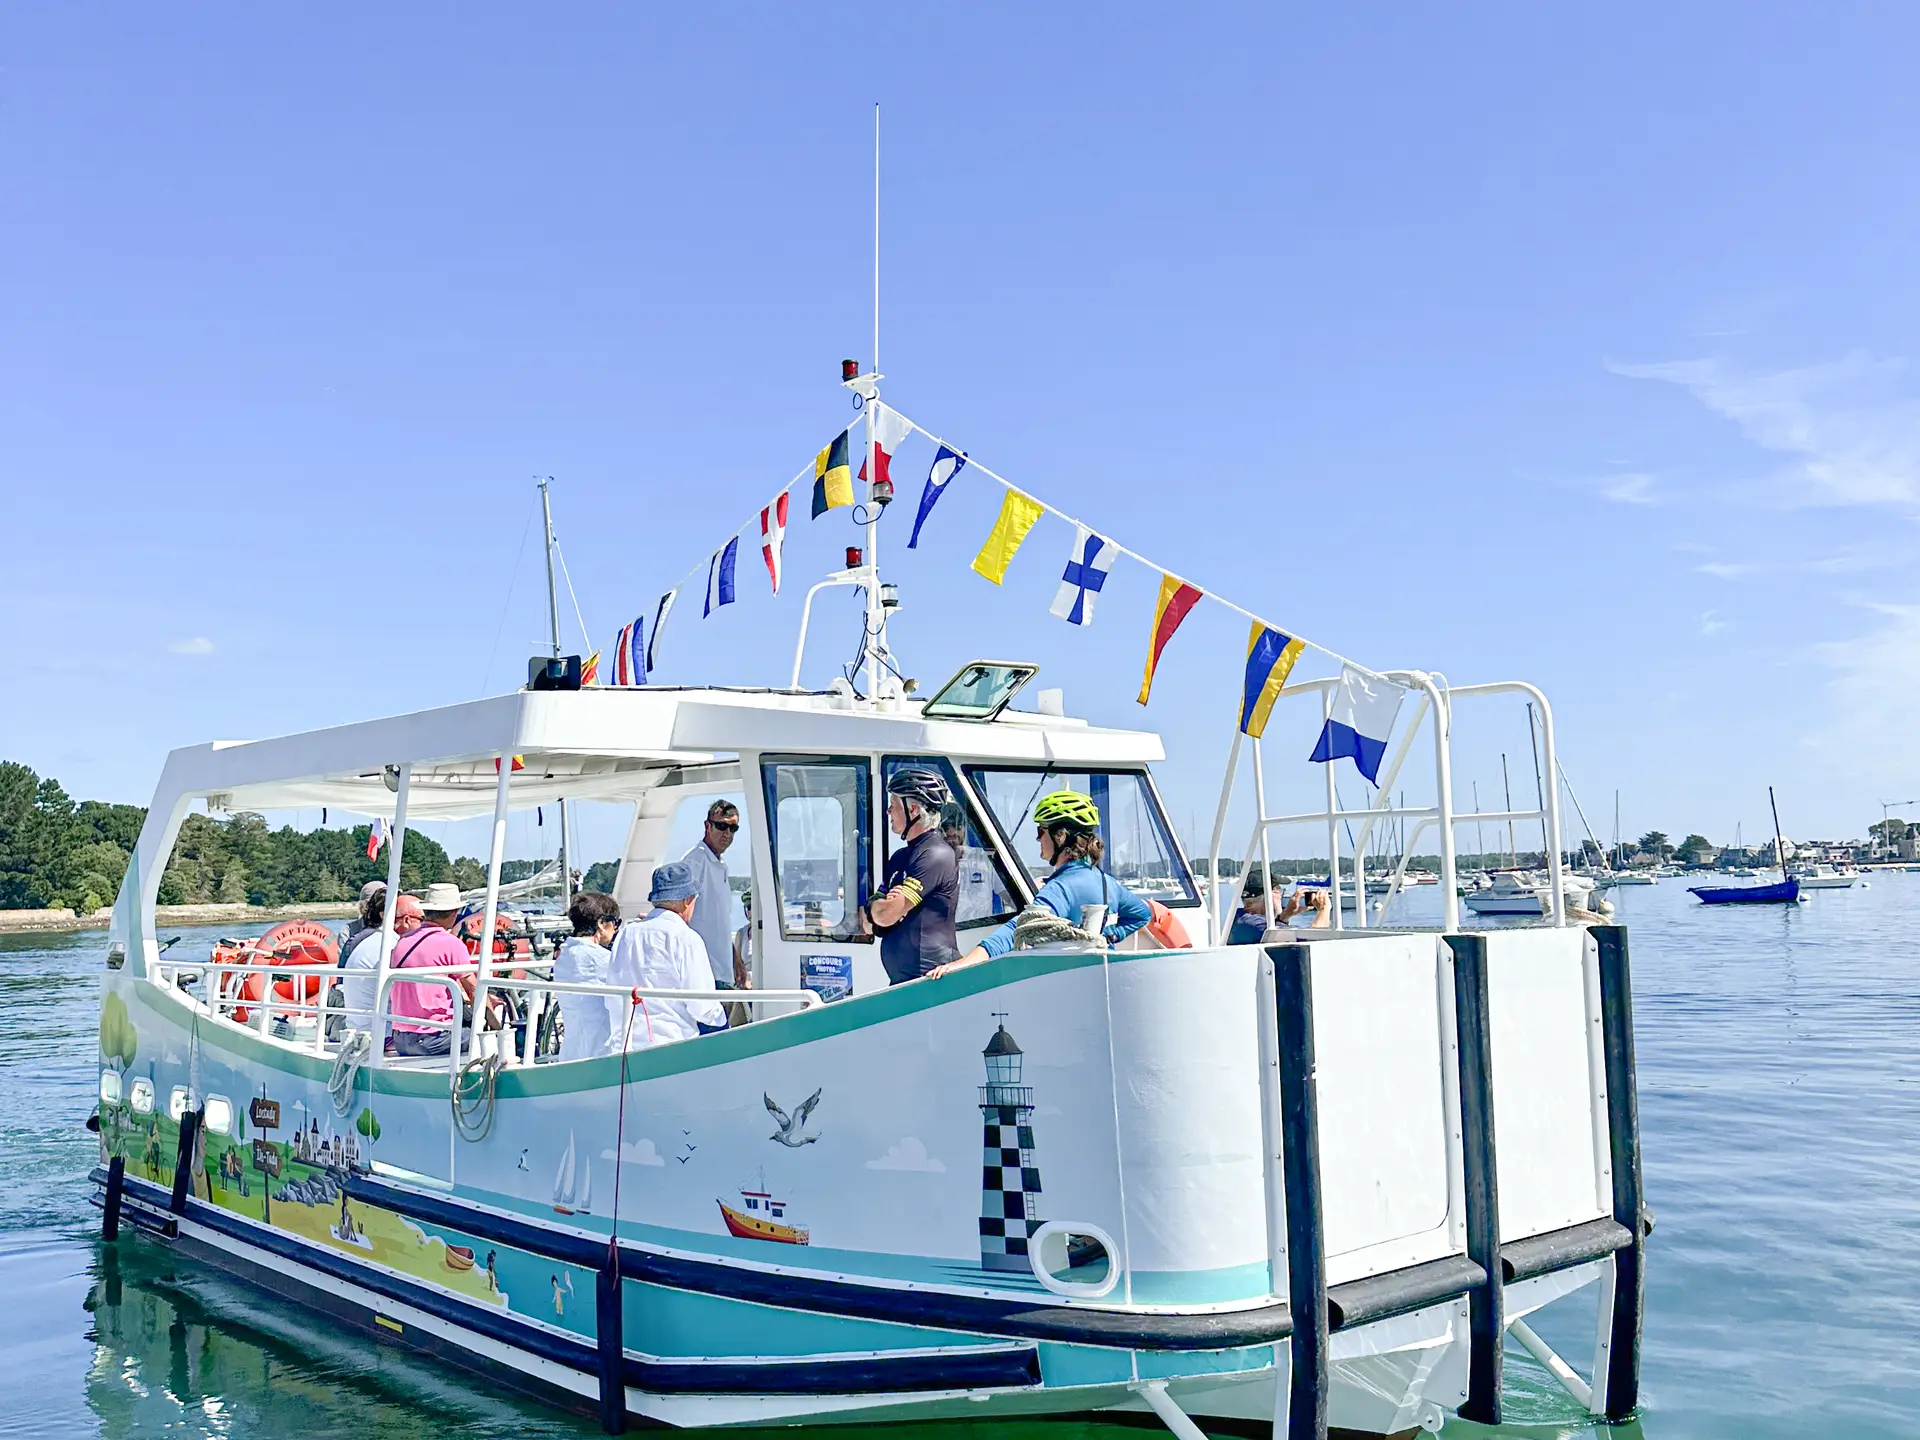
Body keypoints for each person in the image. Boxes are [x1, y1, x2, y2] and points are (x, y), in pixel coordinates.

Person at [931, 790, 1151, 977]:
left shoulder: (1061, 887)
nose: (1037, 839)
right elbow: (1141, 914)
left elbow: (1019, 928)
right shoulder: (1106, 882)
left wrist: (964, 963)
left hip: (1068, 980)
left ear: (1060, 836)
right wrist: (1111, 935)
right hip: (1102, 973)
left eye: (1041, 831)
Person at [606, 862, 726, 1046]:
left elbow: (613, 992)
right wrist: (722, 1020)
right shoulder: (686, 938)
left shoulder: (625, 934)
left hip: (626, 1043)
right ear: (687, 900)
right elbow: (702, 1006)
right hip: (673, 1044)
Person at [863, 768, 960, 984]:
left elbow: (885, 916)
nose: (888, 812)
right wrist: (877, 910)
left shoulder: (936, 854)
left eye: (893, 806)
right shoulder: (899, 857)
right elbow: (869, 923)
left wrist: (882, 910)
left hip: (932, 982)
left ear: (913, 809)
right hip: (904, 983)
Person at [388, 885, 466, 1057]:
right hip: (434, 1039)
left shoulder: (403, 942)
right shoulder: (451, 943)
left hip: (401, 1039)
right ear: (454, 913)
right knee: (482, 1037)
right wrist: (496, 1025)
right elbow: (473, 989)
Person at [680, 800, 741, 990]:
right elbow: (680, 913)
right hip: (703, 974)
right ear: (708, 826)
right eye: (722, 826)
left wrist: (736, 960)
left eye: (733, 828)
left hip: (722, 971)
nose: (727, 833)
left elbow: (720, 922)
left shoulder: (720, 865)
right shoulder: (695, 861)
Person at [552, 891, 619, 1061]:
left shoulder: (565, 955)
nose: (616, 929)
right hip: (601, 1050)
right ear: (602, 924)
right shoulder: (600, 959)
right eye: (615, 923)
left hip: (572, 1051)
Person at [1225, 867, 1330, 942]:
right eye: (1278, 890)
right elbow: (1310, 944)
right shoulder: (1256, 925)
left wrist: (1285, 917)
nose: (1280, 896)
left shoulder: (1241, 919)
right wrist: (1324, 909)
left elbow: (1273, 936)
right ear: (1267, 895)